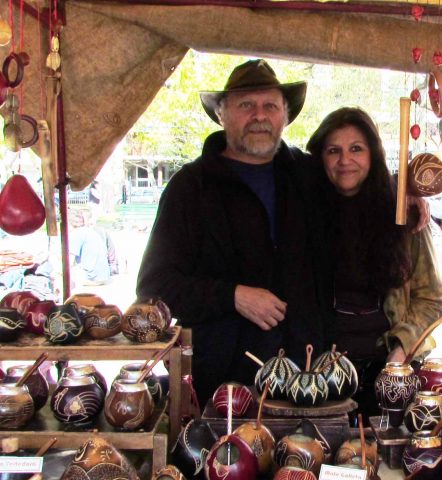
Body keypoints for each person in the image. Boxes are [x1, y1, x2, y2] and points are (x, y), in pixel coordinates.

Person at [136, 60, 328, 404]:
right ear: (222, 114)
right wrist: (232, 296)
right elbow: (155, 288)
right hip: (223, 386)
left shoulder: (309, 175)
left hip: (305, 379)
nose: (259, 115)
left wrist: (413, 198)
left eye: (270, 105)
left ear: (284, 115)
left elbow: (364, 189)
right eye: (245, 105)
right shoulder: (190, 188)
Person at [305, 107, 442, 418]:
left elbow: (431, 299)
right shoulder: (305, 212)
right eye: (333, 151)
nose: (345, 160)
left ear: (373, 153)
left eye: (356, 148)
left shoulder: (402, 212)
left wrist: (401, 350)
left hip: (391, 370)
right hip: (323, 377)